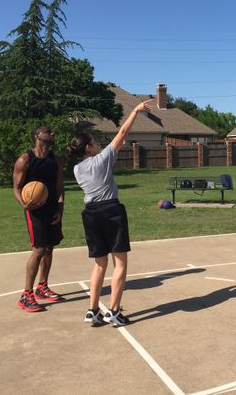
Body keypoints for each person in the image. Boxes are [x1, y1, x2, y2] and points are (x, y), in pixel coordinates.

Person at [69, 99, 153, 326]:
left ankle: (92, 310)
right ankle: (114, 311)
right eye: (94, 142)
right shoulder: (102, 159)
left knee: (99, 264)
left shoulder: (77, 169)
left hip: (91, 214)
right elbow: (123, 131)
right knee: (121, 264)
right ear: (88, 147)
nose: (97, 143)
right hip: (110, 211)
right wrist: (136, 110)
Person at [13, 126, 65, 312]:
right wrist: (24, 204)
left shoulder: (55, 161)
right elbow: (17, 188)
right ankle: (26, 295)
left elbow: (59, 187)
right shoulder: (25, 160)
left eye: (52, 131)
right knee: (39, 250)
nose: (52, 134)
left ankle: (42, 287)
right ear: (37, 136)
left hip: (51, 207)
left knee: (50, 247)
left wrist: (60, 209)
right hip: (34, 210)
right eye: (47, 132)